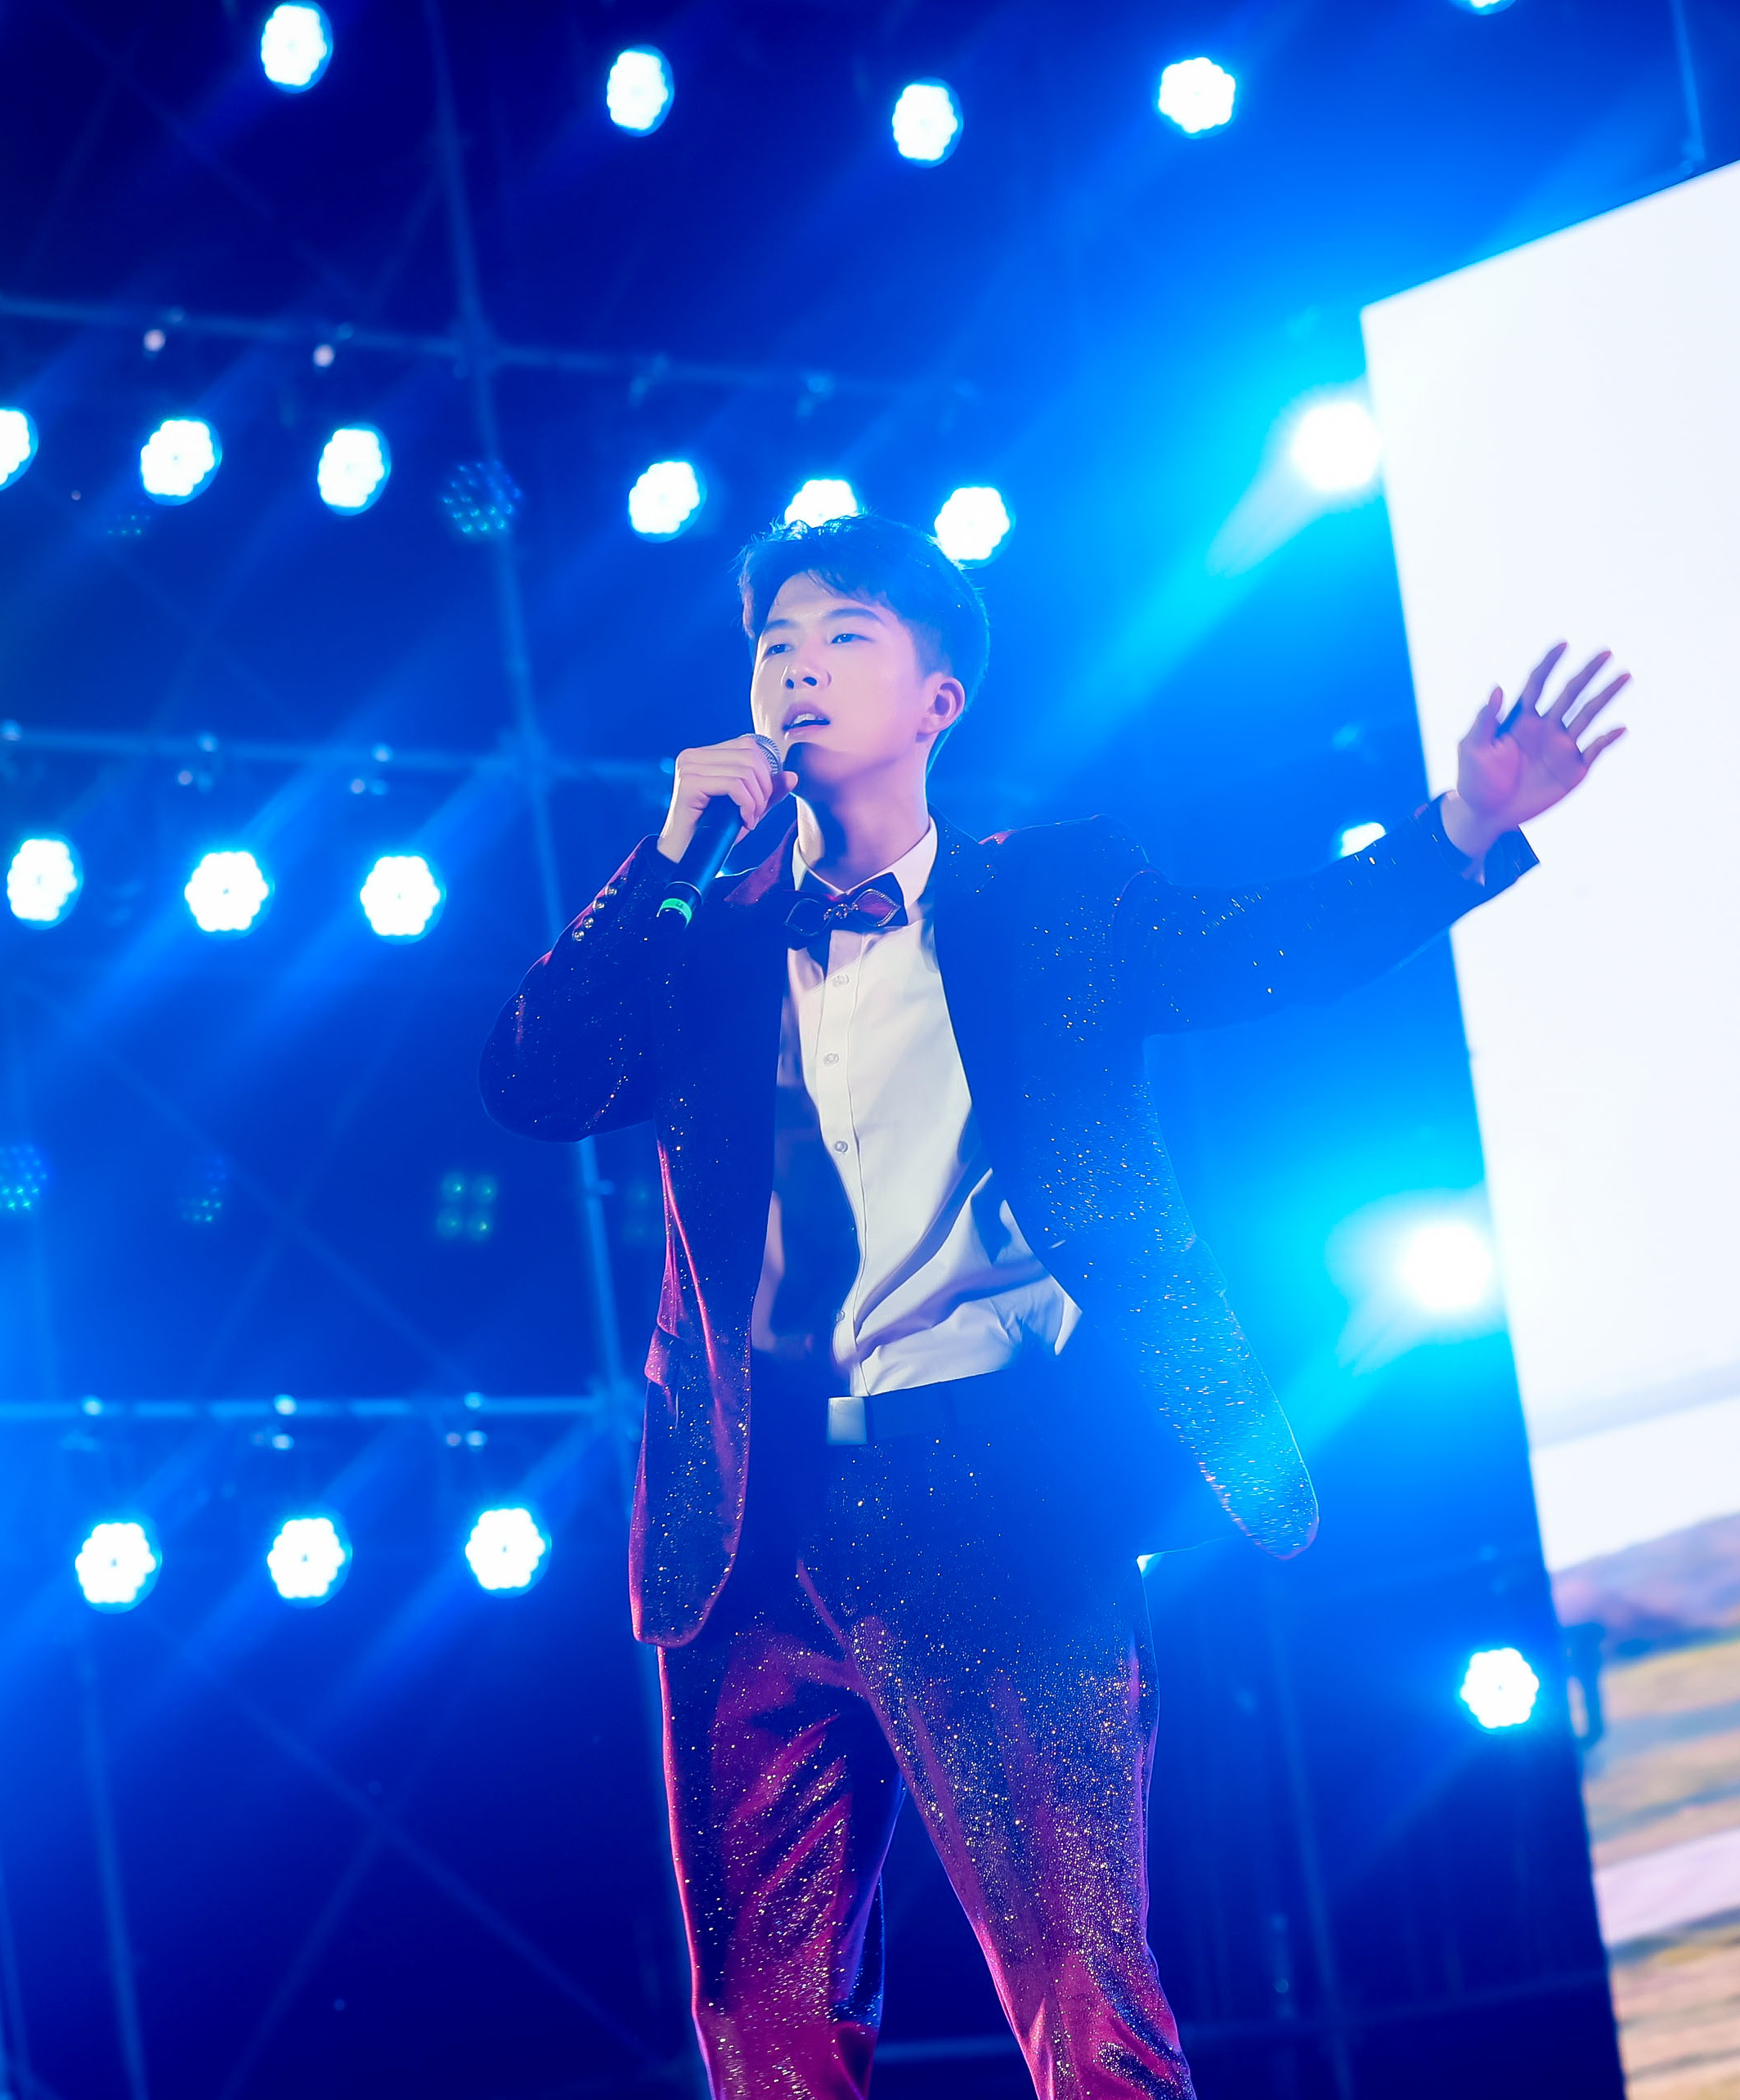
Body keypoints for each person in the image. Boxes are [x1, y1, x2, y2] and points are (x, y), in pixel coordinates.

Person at [479, 513, 1626, 2098]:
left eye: (844, 638)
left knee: (1084, 2004)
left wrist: (1461, 827)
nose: (796, 669)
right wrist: (668, 855)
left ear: (937, 699)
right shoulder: (703, 945)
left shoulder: (1054, 893)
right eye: (773, 646)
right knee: (764, 2039)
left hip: (995, 1496)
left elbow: (1264, 952)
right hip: (747, 1521)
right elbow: (532, 1080)